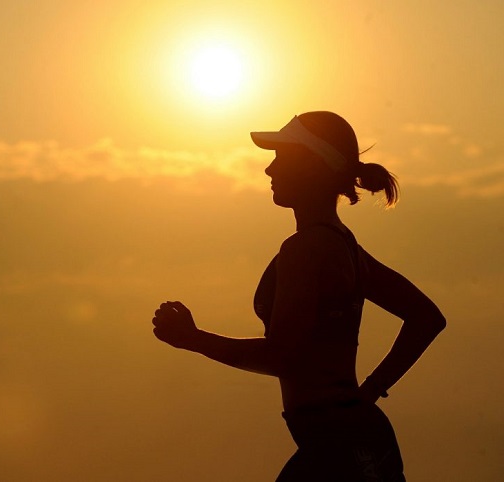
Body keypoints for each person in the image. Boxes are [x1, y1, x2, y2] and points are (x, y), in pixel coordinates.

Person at [151, 111, 446, 481]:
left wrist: (193, 339)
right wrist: (369, 392)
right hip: (357, 443)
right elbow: (426, 317)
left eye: (281, 158)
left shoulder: (306, 249)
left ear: (312, 166)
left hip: (337, 450)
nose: (269, 171)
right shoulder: (344, 246)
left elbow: (283, 356)